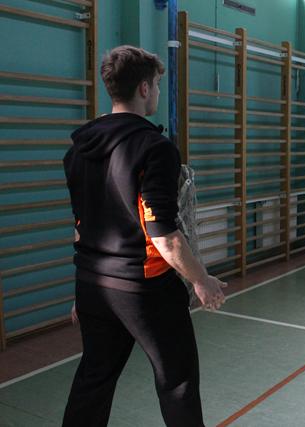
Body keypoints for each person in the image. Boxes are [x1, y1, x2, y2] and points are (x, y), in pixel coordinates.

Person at [62, 46, 226, 427]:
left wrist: (84, 291)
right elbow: (164, 236)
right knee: (177, 381)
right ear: (143, 88)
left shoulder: (79, 149)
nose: (157, 92)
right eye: (156, 85)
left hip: (94, 285)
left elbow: (81, 226)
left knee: (93, 381)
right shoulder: (155, 148)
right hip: (145, 289)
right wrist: (201, 280)